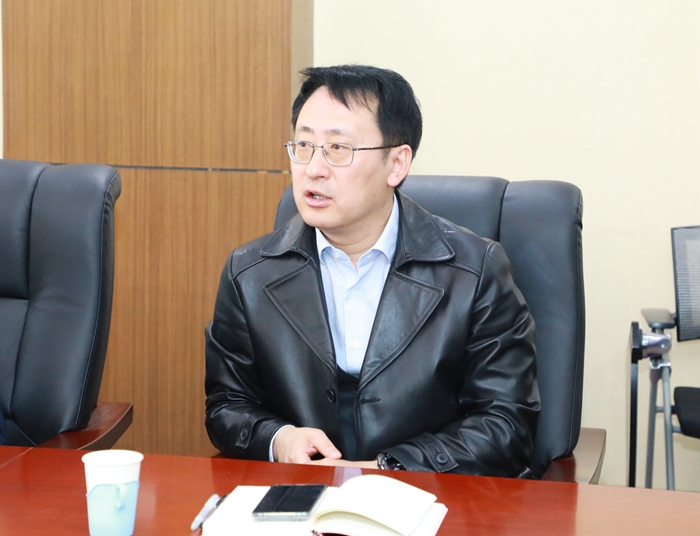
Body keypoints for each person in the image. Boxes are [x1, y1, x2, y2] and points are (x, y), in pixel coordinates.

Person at [205, 65, 540, 476]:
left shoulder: (473, 272)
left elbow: (505, 424)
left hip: (433, 497)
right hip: (302, 495)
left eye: (338, 148)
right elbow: (228, 406)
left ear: (396, 164)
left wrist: (389, 467)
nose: (313, 168)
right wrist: (279, 438)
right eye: (304, 145)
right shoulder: (250, 273)